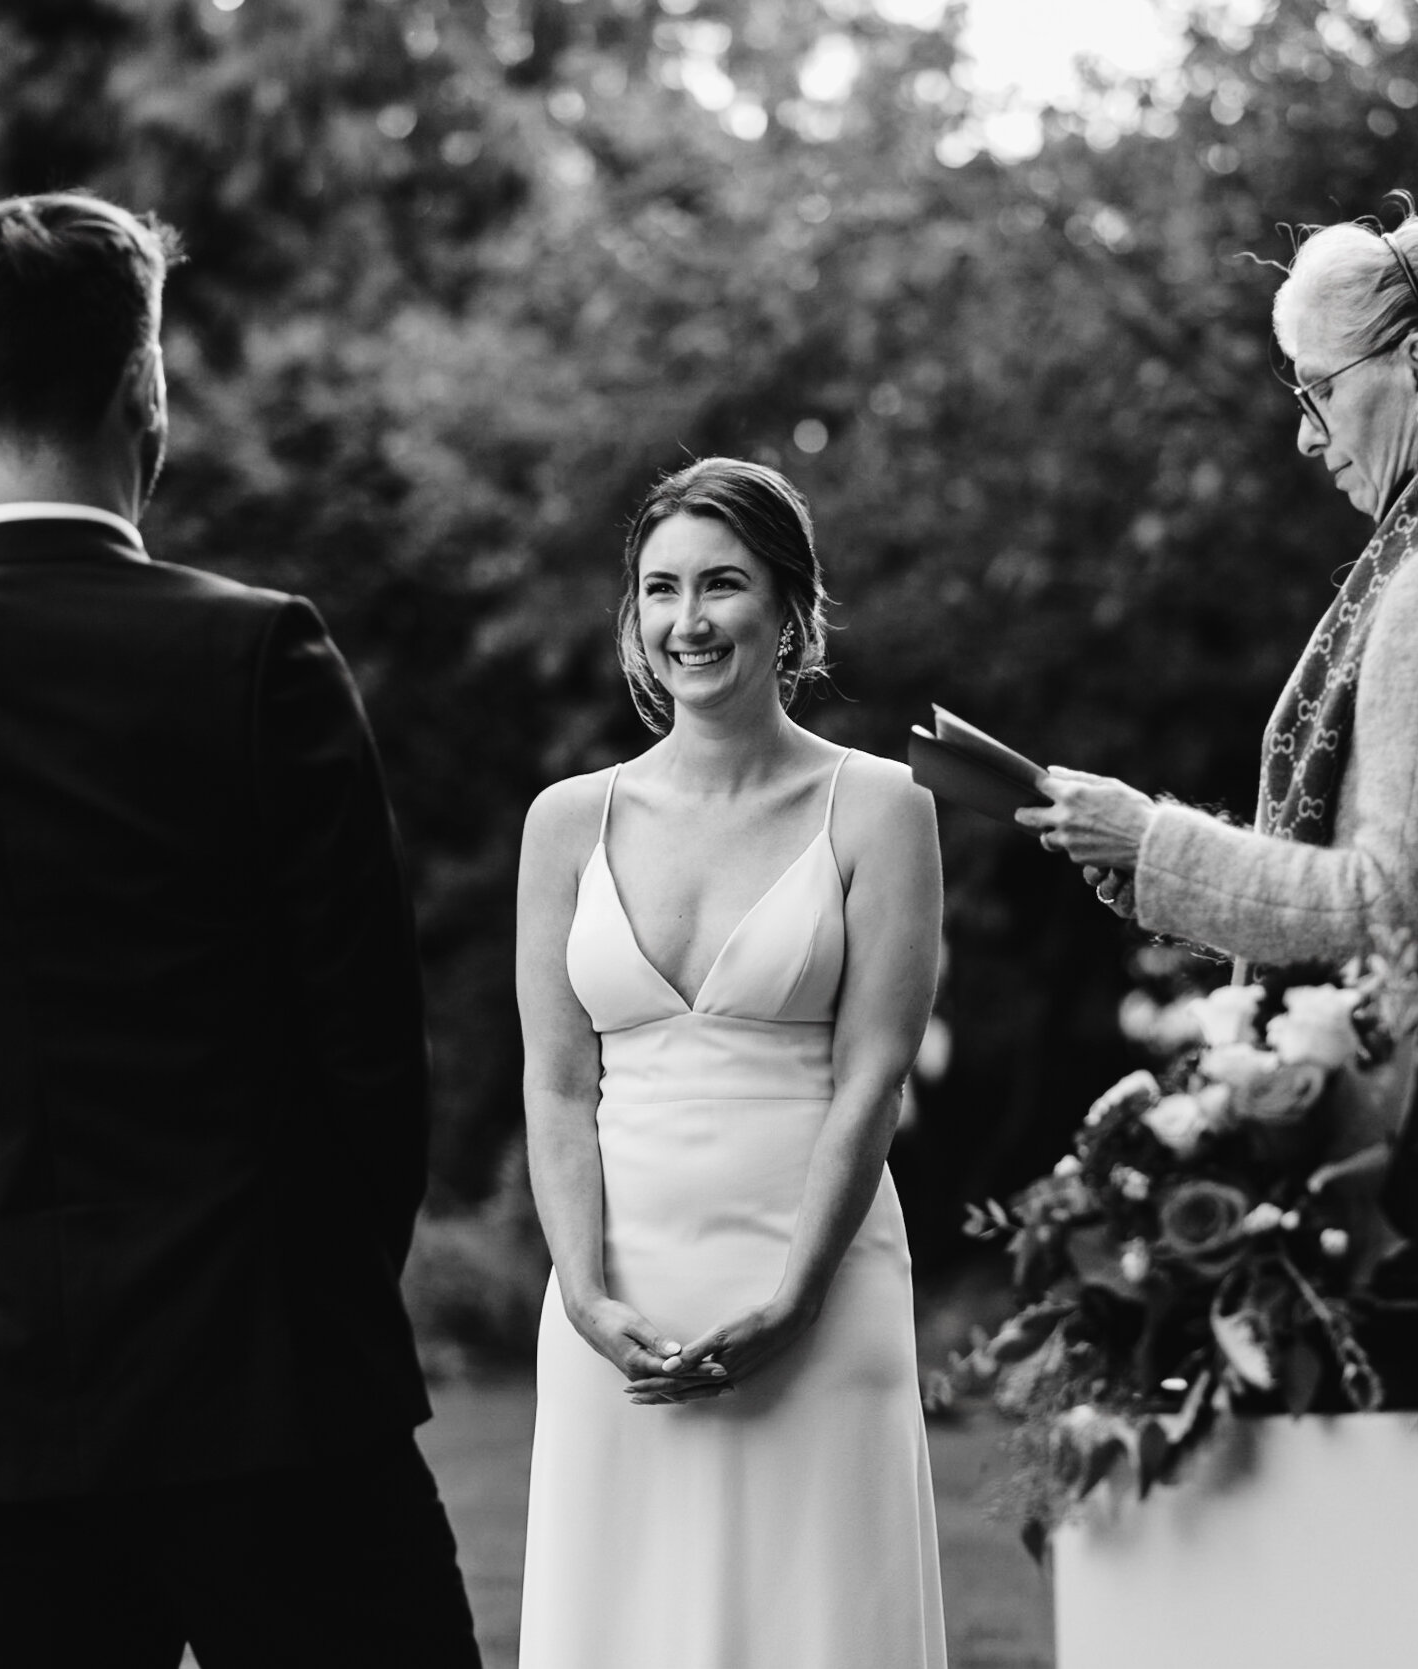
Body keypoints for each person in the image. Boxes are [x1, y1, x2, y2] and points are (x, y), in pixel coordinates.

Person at [0, 191, 480, 1667]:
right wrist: (303, 1286)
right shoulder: (260, 652)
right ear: (148, 388)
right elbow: (370, 1055)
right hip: (274, 1388)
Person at [1021, 212, 1418, 1069]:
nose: (1307, 433)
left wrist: (1151, 838)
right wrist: (1168, 884)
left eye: (1319, 390)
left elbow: (1393, 903)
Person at [512, 458, 948, 1669]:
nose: (687, 620)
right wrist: (587, 1294)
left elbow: (875, 1074)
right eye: (660, 589)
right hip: (618, 1302)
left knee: (818, 1624)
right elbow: (556, 1083)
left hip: (816, 1280)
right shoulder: (565, 822)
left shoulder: (878, 810)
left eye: (723, 585)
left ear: (791, 611)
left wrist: (798, 1293)